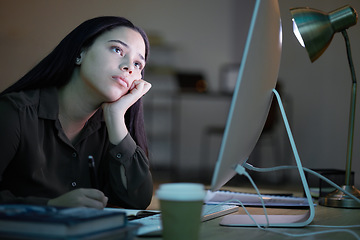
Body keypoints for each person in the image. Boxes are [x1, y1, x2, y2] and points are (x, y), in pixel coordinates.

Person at [0, 16, 153, 210]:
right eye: (117, 49)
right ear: (80, 53)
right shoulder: (14, 112)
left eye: (138, 64)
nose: (129, 67)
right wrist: (50, 206)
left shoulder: (111, 129)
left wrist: (115, 118)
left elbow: (137, 202)